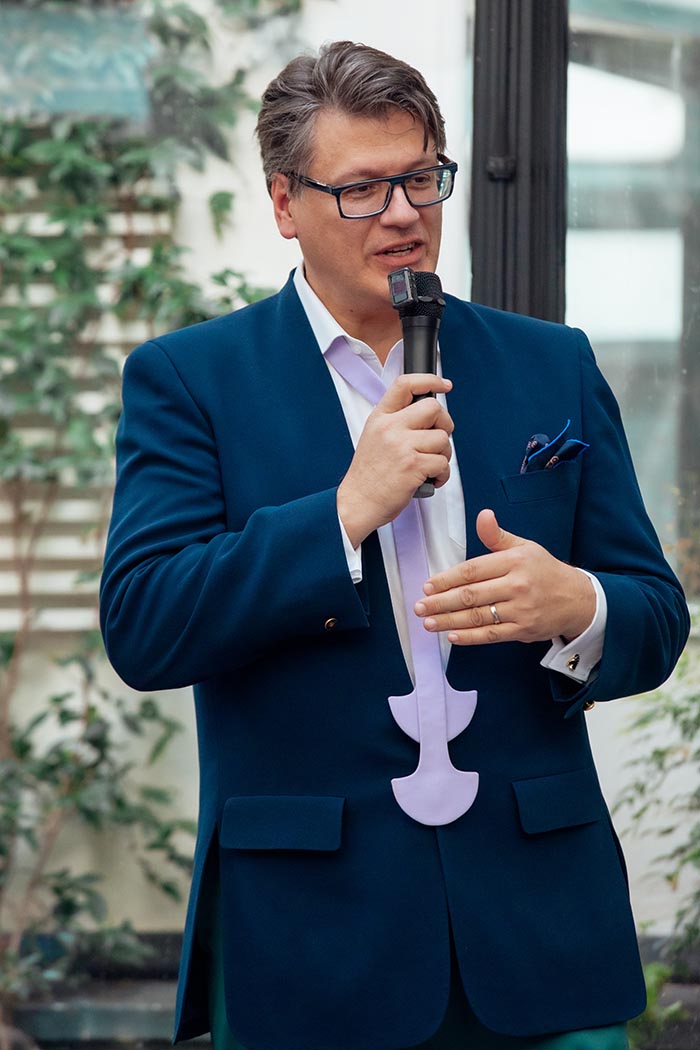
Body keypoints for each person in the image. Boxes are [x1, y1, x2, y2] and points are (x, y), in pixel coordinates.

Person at [100, 40, 689, 1050]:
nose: (405, 213)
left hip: (542, 926)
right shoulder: (191, 379)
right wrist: (341, 513)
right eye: (362, 189)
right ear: (284, 204)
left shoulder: (551, 362)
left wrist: (578, 607)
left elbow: (656, 613)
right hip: (312, 936)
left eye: (421, 178)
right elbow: (146, 624)